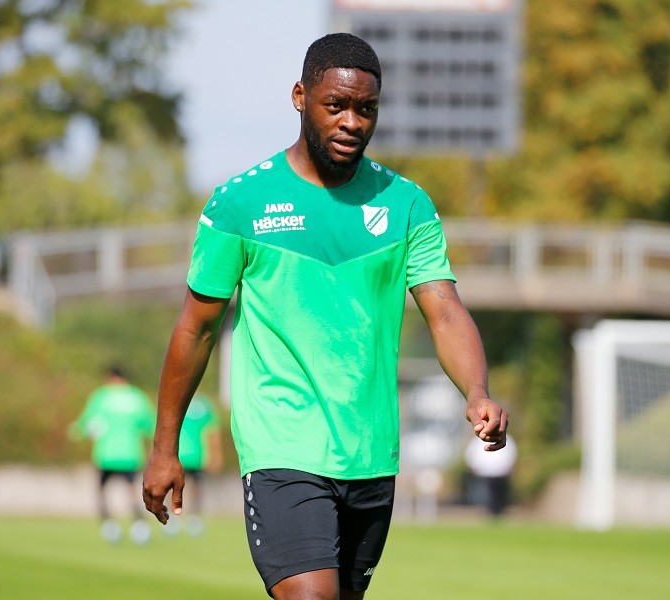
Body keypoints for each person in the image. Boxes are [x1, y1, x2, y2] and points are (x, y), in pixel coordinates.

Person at [142, 32, 509, 599]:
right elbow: (196, 328)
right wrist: (165, 446)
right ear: (299, 97)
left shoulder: (406, 204)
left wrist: (477, 390)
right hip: (280, 447)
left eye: (366, 109)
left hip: (370, 452)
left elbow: (445, 311)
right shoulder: (241, 204)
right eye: (335, 105)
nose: (352, 122)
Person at [70, 366, 156, 544]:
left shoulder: (102, 397)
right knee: (132, 491)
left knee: (102, 491)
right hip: (130, 454)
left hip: (106, 454)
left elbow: (87, 424)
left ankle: (110, 526)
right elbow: (150, 426)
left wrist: (76, 431)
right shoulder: (138, 398)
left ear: (111, 377)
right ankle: (140, 525)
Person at [171, 392, 223, 536]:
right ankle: (175, 519)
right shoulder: (179, 401)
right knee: (180, 489)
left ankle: (193, 518)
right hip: (183, 455)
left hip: (194, 455)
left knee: (194, 488)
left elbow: (213, 432)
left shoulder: (203, 405)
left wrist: (216, 456)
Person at [464, 432, 517, 519]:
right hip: (484, 473)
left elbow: (512, 453)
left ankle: (498, 511)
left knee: (498, 495)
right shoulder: (478, 440)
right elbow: (471, 454)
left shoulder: (506, 438)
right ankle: (488, 511)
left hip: (500, 473)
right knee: (486, 495)